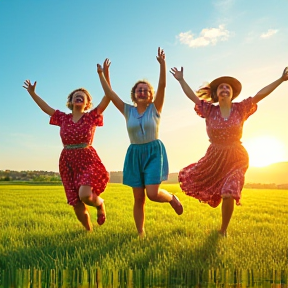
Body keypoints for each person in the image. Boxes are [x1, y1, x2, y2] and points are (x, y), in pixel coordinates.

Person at [170, 66, 288, 236]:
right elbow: (193, 98)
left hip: (237, 157)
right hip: (215, 157)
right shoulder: (210, 110)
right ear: (216, 94)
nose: (224, 89)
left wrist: (280, 80)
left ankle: (223, 230)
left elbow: (260, 95)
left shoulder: (241, 109)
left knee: (229, 192)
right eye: (221, 87)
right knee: (198, 179)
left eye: (228, 87)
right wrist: (181, 80)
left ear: (232, 94)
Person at [97, 48, 183, 237]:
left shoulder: (155, 108)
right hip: (135, 154)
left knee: (152, 194)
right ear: (134, 94)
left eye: (145, 90)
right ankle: (140, 232)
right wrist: (103, 74)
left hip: (153, 152)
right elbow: (110, 94)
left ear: (150, 94)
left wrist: (162, 65)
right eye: (138, 89)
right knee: (138, 198)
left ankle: (171, 198)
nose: (142, 91)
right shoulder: (128, 110)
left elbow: (162, 85)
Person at [23, 59, 112, 231]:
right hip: (68, 161)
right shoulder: (63, 118)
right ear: (70, 101)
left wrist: (104, 74)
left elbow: (108, 96)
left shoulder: (91, 116)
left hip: (87, 159)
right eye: (75, 95)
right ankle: (88, 231)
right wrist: (32, 93)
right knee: (76, 203)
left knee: (85, 195)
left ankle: (100, 204)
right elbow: (45, 108)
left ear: (87, 103)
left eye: (82, 96)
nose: (78, 96)